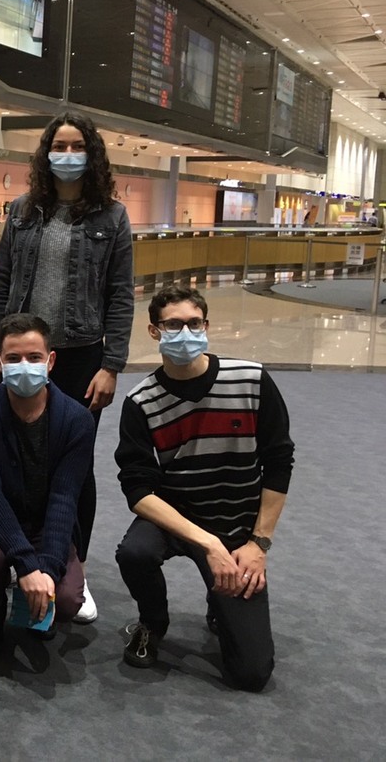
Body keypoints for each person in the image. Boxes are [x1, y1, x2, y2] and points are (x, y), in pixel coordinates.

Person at [0, 112, 134, 624]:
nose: (66, 153)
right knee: (8, 454)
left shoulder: (111, 217)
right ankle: (9, 553)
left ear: (92, 153)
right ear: (45, 153)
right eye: (58, 145)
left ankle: (74, 566)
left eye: (76, 145)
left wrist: (111, 364)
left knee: (73, 464)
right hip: (23, 349)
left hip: (81, 353)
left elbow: (119, 294)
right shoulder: (22, 212)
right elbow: (1, 281)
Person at [114, 285, 294, 691]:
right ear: (154, 331)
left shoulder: (250, 379)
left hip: (237, 525)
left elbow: (279, 462)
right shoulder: (141, 401)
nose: (186, 332)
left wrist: (258, 545)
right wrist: (208, 544)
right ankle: (152, 623)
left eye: (194, 323)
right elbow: (138, 490)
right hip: (179, 516)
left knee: (250, 674)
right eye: (174, 325)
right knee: (135, 553)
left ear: (207, 326)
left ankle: (222, 604)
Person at [0, 313, 94, 652]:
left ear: (50, 361)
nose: (24, 366)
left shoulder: (77, 419)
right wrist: (26, 562)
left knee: (66, 601)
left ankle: (36, 606)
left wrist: (47, 568)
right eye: (13, 358)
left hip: (45, 522)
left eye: (34, 358)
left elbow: (65, 498)